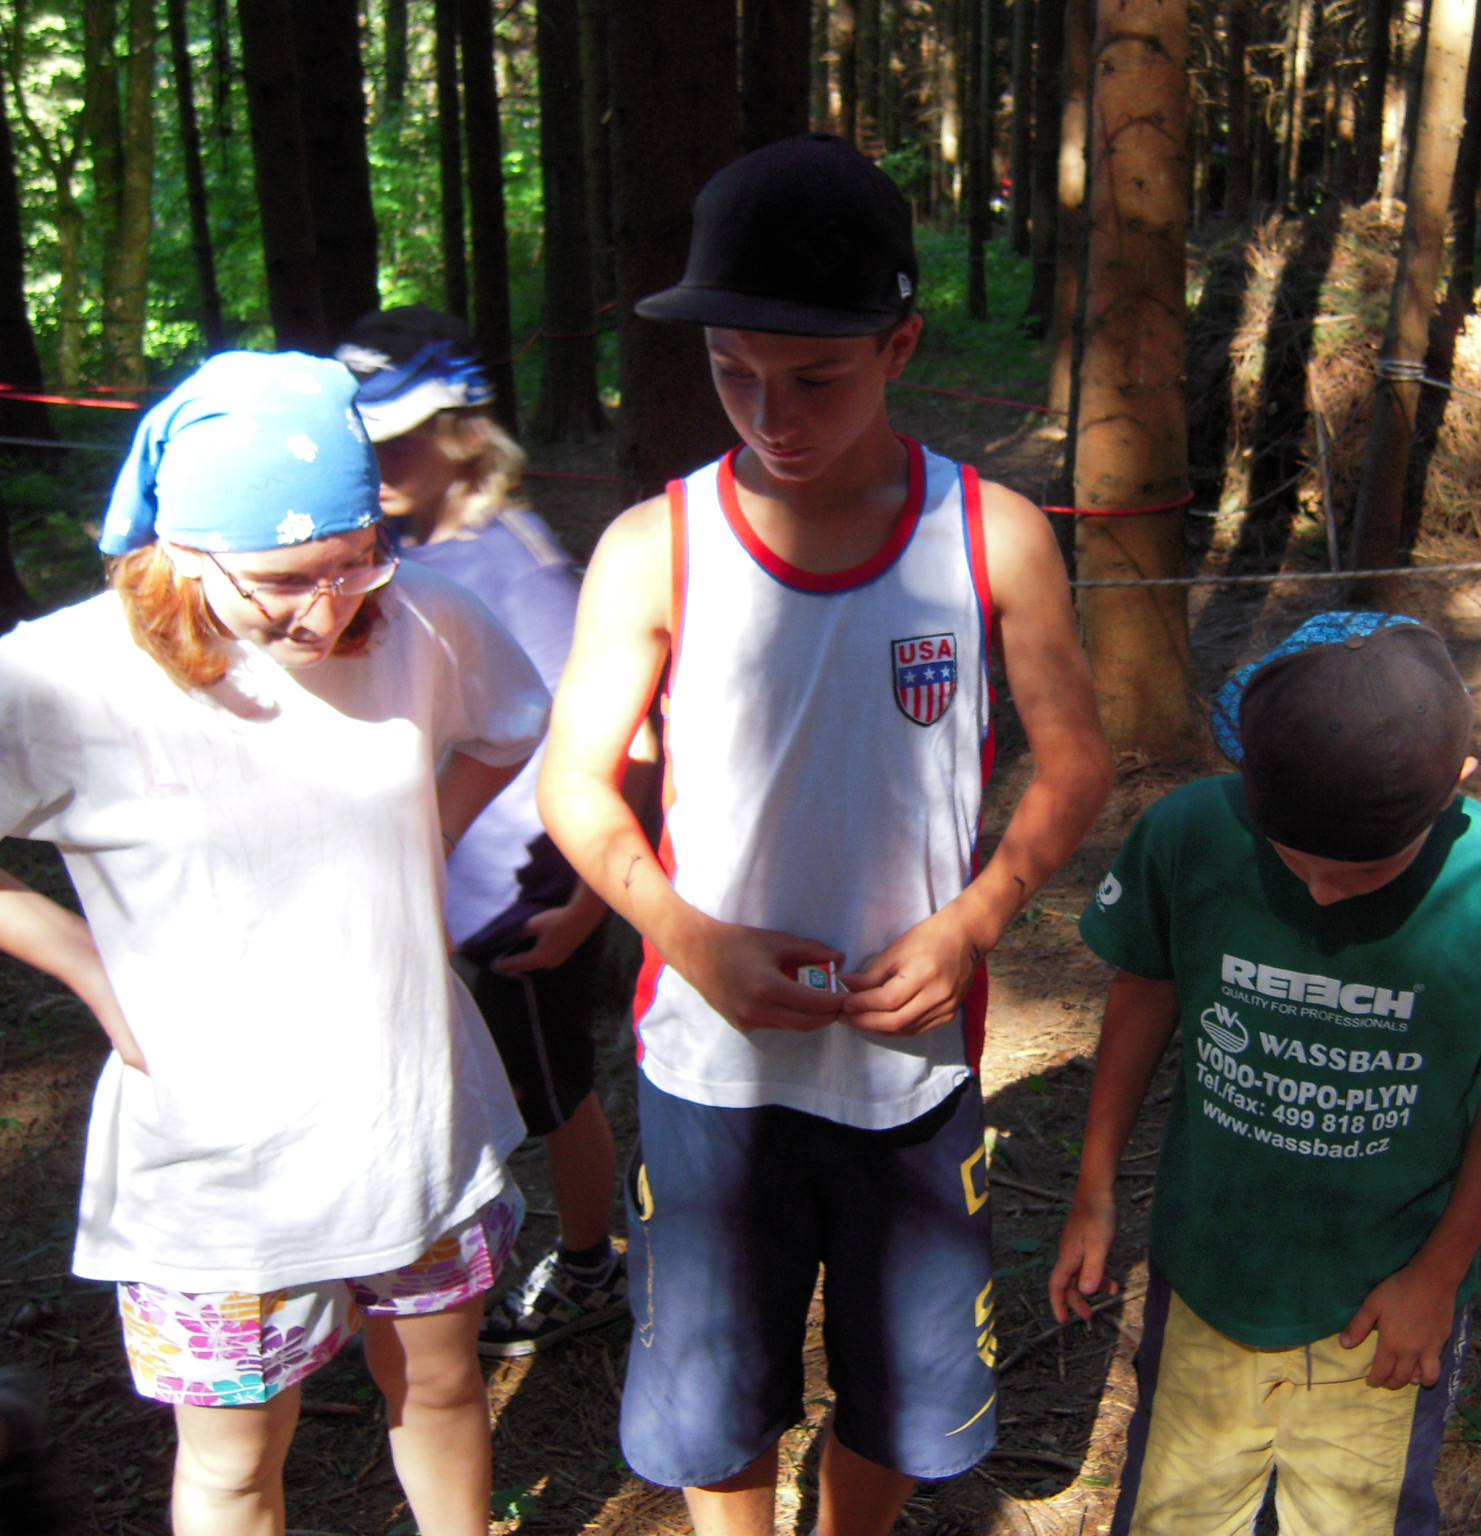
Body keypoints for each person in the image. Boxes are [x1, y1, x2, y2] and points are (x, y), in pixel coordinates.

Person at [535, 134, 1114, 1536]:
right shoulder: (656, 546)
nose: (770, 413)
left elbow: (1076, 763)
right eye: (732, 371)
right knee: (712, 1399)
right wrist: (684, 936)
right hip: (709, 1067)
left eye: (815, 377)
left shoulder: (989, 535)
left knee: (907, 1396)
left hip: (907, 1066)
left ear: (899, 343)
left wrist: (974, 922)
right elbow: (574, 785)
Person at [0, 352, 550, 1535]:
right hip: (220, 1161)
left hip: (408, 1114)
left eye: (357, 559)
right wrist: (82, 962)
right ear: (181, 551)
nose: (331, 607)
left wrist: (421, 845)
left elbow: (510, 725)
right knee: (236, 1460)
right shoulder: (62, 675)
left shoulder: (420, 617)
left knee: (442, 1384)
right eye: (285, 580)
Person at [1048, 613, 1481, 1536]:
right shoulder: (1191, 835)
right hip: (1211, 1272)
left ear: (1457, 782)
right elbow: (1143, 989)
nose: (1320, 892)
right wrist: (1094, 1187)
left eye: (1360, 873)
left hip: (1385, 1295)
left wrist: (1438, 1274)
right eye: (1294, 860)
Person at [339, 307, 639, 1358]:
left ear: (464, 430)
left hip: (524, 890)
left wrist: (584, 904)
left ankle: (593, 1264)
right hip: (431, 886)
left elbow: (619, 743)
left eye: (398, 439)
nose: (378, 463)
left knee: (549, 1089)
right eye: (362, 441)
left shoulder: (518, 566)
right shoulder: (390, 553)